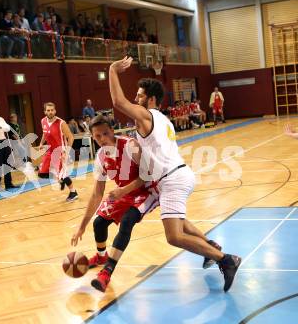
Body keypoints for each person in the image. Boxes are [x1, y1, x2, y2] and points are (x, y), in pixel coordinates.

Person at [108, 56, 241, 292]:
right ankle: (211, 246)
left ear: (150, 100)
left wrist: (112, 70)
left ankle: (226, 259)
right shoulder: (163, 120)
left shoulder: (146, 115)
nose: (135, 99)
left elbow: (118, 101)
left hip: (172, 179)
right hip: (177, 175)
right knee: (179, 221)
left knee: (174, 236)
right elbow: (150, 160)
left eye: (139, 96)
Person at [71, 115, 158, 292]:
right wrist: (81, 227)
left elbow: (148, 175)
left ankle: (107, 272)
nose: (102, 139)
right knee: (99, 222)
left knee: (127, 221)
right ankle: (102, 256)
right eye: (97, 136)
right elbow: (97, 194)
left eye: (104, 134)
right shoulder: (101, 156)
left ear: (112, 130)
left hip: (147, 191)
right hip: (125, 193)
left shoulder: (129, 145)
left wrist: (123, 191)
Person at [38, 102, 78, 202]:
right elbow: (44, 133)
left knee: (62, 174)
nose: (50, 112)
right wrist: (41, 143)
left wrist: (66, 152)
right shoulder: (43, 121)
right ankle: (60, 180)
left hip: (60, 152)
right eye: (48, 110)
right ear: (45, 111)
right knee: (42, 173)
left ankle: (73, 192)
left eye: (52, 110)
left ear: (55, 111)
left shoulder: (61, 123)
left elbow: (70, 137)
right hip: (50, 150)